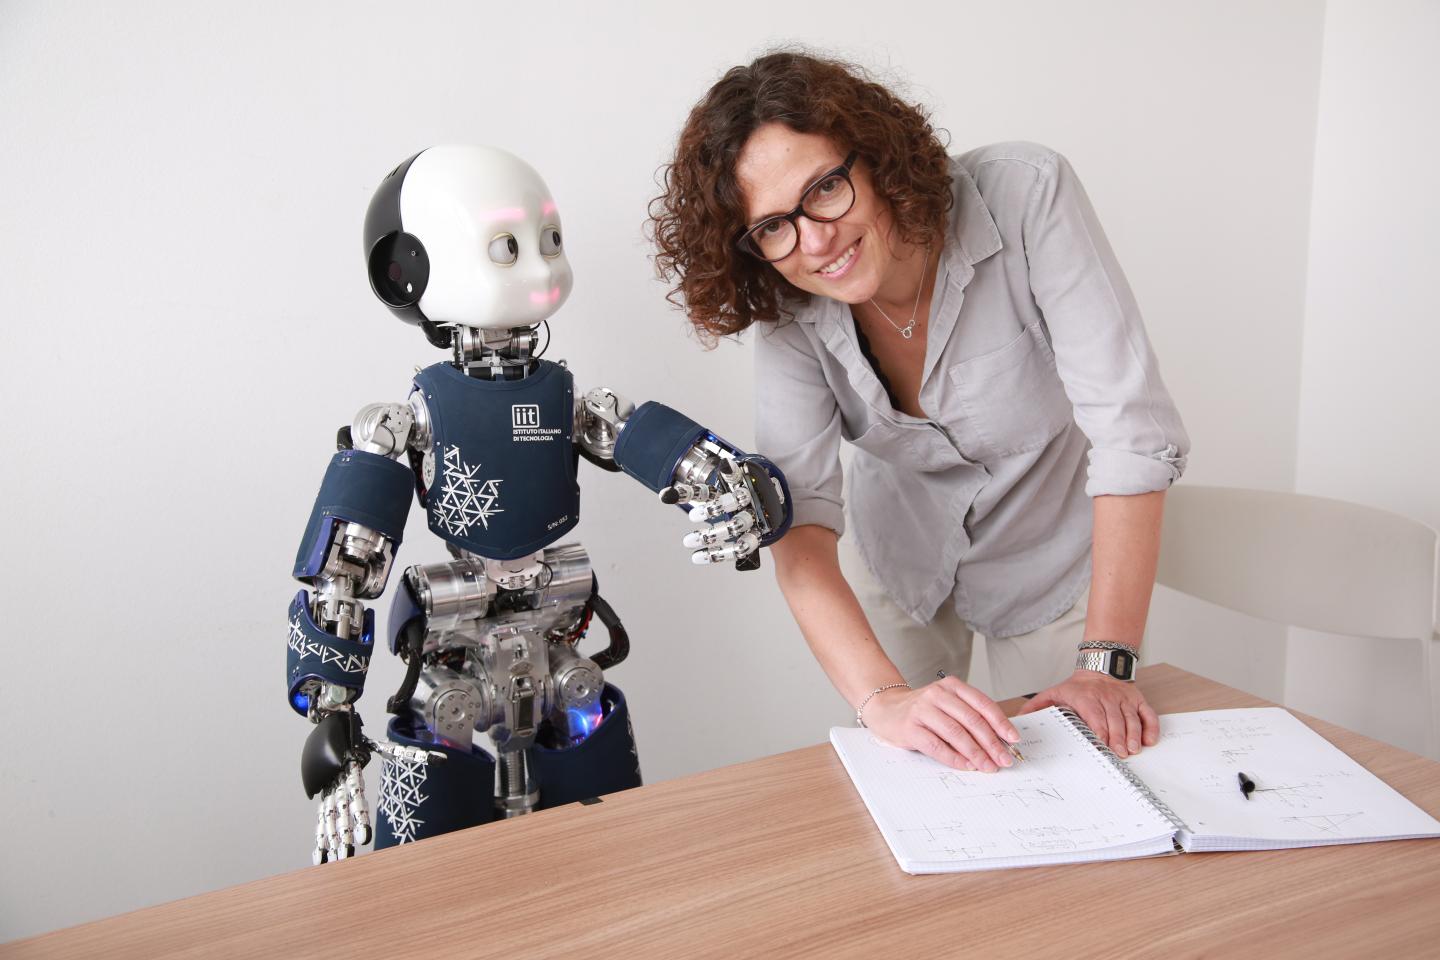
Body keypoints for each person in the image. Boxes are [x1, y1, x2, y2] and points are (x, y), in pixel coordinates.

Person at [648, 50, 1189, 772]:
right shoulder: (788, 305)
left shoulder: (1027, 195)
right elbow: (798, 521)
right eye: (773, 227)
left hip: (1053, 563)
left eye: (826, 190)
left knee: (1084, 778)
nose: (814, 241)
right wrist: (882, 701)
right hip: (900, 559)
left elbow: (1133, 435)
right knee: (913, 785)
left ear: (874, 157)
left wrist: (1104, 664)